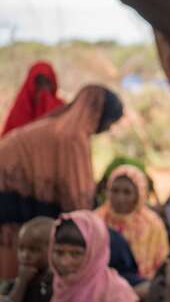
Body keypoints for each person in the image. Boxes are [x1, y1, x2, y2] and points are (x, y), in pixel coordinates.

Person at [0, 85, 123, 279]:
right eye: (110, 122)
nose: (108, 129)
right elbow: (76, 197)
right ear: (100, 114)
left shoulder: (62, 126)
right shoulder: (72, 136)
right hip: (9, 191)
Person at [95, 165, 170, 279]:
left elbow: (161, 261)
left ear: (139, 194)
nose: (120, 198)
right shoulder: (96, 220)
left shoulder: (153, 224)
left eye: (127, 192)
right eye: (115, 191)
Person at [50, 210, 137, 302]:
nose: (64, 262)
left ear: (95, 254)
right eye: (59, 252)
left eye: (76, 254)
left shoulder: (116, 293)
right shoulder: (56, 283)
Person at [2, 62, 65, 137]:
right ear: (30, 85)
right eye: (39, 84)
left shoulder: (60, 108)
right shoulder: (20, 110)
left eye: (47, 83)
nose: (43, 89)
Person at [0, 217, 54, 302]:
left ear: (53, 250)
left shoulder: (54, 284)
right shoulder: (14, 284)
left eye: (33, 249)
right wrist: (22, 282)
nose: (25, 255)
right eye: (21, 248)